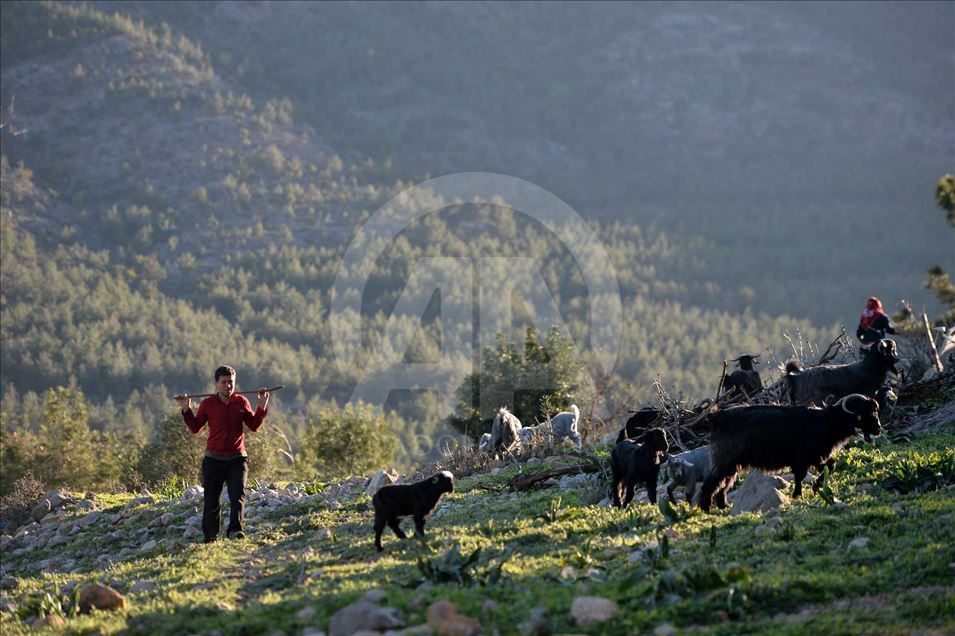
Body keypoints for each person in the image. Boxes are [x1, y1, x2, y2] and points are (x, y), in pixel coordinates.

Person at [175, 366, 270, 542]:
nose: (228, 386)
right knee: (211, 501)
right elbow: (195, 428)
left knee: (238, 496)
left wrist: (261, 407)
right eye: (224, 382)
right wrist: (186, 409)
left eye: (230, 382)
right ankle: (210, 537)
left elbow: (254, 425)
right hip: (213, 460)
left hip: (237, 459)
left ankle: (235, 531)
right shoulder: (207, 404)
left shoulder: (241, 402)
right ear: (217, 384)